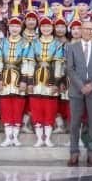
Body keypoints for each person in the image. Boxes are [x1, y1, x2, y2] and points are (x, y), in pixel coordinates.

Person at [65, 18, 92, 166]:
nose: (88, 31)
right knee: (75, 123)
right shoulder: (72, 47)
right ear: (81, 30)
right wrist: (81, 85)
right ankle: (74, 152)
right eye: (86, 28)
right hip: (77, 90)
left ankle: (91, 152)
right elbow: (70, 69)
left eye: (91, 29)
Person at [25, 15, 64, 148]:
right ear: (40, 28)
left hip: (51, 79)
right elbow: (30, 63)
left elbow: (58, 65)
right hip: (36, 80)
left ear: (52, 28)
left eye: (48, 26)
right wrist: (29, 82)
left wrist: (56, 83)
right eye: (43, 26)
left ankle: (47, 138)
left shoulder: (57, 44)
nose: (46, 28)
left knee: (50, 108)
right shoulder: (34, 43)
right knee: (36, 108)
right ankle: (39, 138)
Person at [0, 15, 30, 148]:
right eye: (12, 26)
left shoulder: (25, 43)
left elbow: (27, 63)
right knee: (5, 107)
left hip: (19, 78)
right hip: (4, 77)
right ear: (8, 27)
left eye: (17, 26)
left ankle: (15, 137)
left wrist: (24, 80)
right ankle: (7, 137)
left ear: (21, 27)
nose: (14, 28)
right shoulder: (1, 42)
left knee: (18, 106)